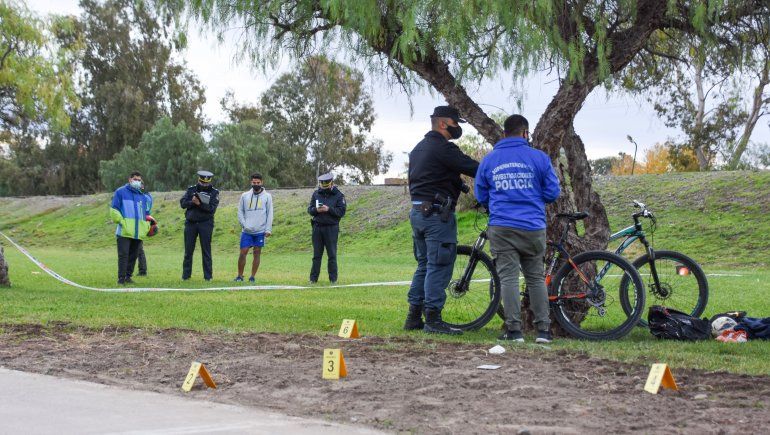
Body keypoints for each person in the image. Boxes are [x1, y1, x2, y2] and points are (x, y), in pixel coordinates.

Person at [474, 114, 561, 343]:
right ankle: (543, 330)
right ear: (525, 133)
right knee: (535, 278)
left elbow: (481, 194)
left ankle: (514, 331)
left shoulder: (490, 160)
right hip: (533, 226)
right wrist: (532, 197)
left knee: (509, 279)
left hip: (502, 227)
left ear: (505, 133)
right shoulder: (539, 158)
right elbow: (553, 193)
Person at [405, 106, 479, 335]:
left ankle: (413, 317)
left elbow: (433, 177)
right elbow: (474, 167)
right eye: (456, 123)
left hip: (418, 213)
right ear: (443, 124)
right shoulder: (443, 149)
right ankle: (433, 320)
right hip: (437, 216)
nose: (458, 128)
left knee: (424, 264)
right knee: (439, 265)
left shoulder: (418, 149)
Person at [110, 171, 152, 285]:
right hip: (124, 231)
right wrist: (122, 222)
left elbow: (147, 213)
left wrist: (148, 226)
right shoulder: (120, 192)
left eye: (139, 180)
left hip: (138, 232)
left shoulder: (142, 196)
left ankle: (128, 276)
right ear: (130, 180)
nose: (137, 182)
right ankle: (121, 279)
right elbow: (114, 210)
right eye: (135, 179)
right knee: (123, 256)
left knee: (133, 256)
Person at [180, 170, 220, 281]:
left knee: (206, 251)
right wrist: (192, 202)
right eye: (202, 182)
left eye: (206, 183)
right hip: (191, 224)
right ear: (199, 180)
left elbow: (212, 209)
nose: (204, 184)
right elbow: (183, 204)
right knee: (188, 251)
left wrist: (199, 204)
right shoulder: (191, 190)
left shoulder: (214, 193)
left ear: (210, 181)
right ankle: (185, 276)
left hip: (206, 224)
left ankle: (208, 277)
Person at [307, 172, 346, 284]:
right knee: (316, 256)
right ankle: (313, 279)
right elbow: (310, 209)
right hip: (317, 228)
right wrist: (316, 210)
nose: (324, 187)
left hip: (331, 228)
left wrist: (328, 209)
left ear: (331, 183)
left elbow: (341, 212)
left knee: (332, 255)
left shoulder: (339, 195)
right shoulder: (316, 194)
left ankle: (333, 279)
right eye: (322, 185)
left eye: (326, 185)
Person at [235, 173, 274, 282]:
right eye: (254, 183)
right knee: (243, 252)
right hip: (247, 231)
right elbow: (240, 212)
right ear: (251, 182)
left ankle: (252, 277)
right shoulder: (244, 196)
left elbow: (269, 213)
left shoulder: (267, 196)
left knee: (257, 253)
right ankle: (239, 276)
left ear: (262, 183)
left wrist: (268, 229)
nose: (256, 184)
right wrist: (244, 225)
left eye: (258, 183)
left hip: (260, 231)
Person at [135, 181, 153, 277]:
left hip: (141, 222)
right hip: (144, 222)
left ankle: (142, 270)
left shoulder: (144, 197)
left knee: (139, 248)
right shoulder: (148, 196)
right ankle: (142, 269)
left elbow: (144, 211)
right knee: (139, 247)